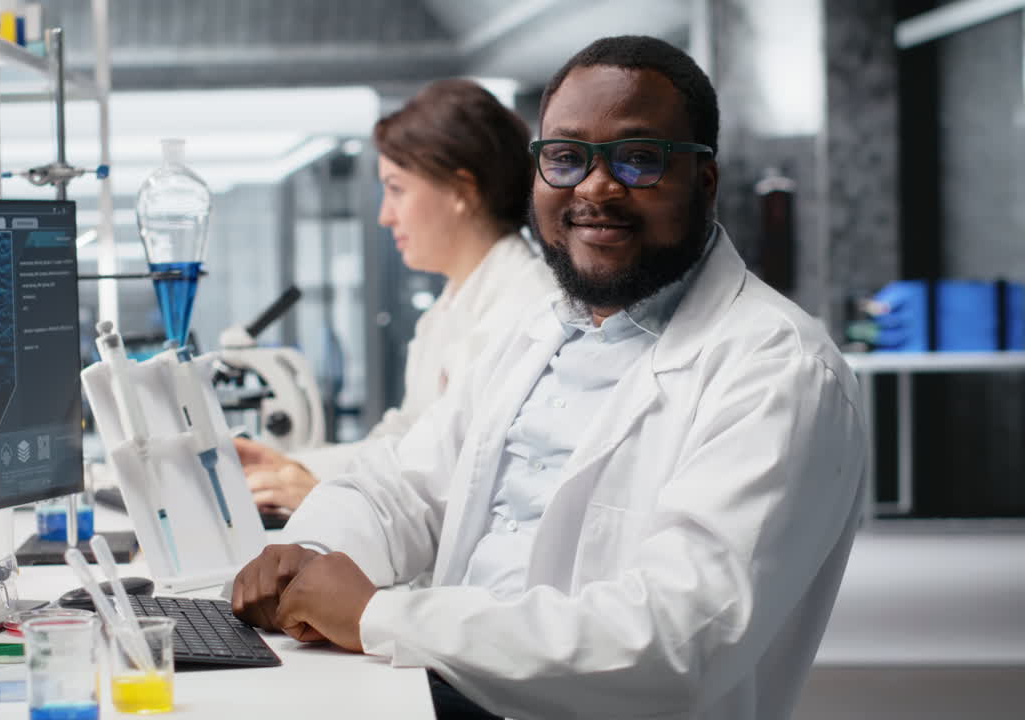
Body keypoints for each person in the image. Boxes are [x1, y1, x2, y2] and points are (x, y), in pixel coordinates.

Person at [232, 35, 866, 720]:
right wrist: (308, 553)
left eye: (638, 159)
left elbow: (675, 643)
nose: (596, 186)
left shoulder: (778, 369)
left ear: (704, 181)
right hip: (446, 686)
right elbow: (401, 485)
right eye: (566, 157)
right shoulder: (538, 328)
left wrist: (380, 618)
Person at [234, 78, 557, 512]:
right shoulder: (448, 307)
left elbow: (469, 480)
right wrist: (297, 467)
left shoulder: (526, 307)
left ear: (462, 191)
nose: (386, 216)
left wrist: (329, 500)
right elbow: (404, 437)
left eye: (397, 189)